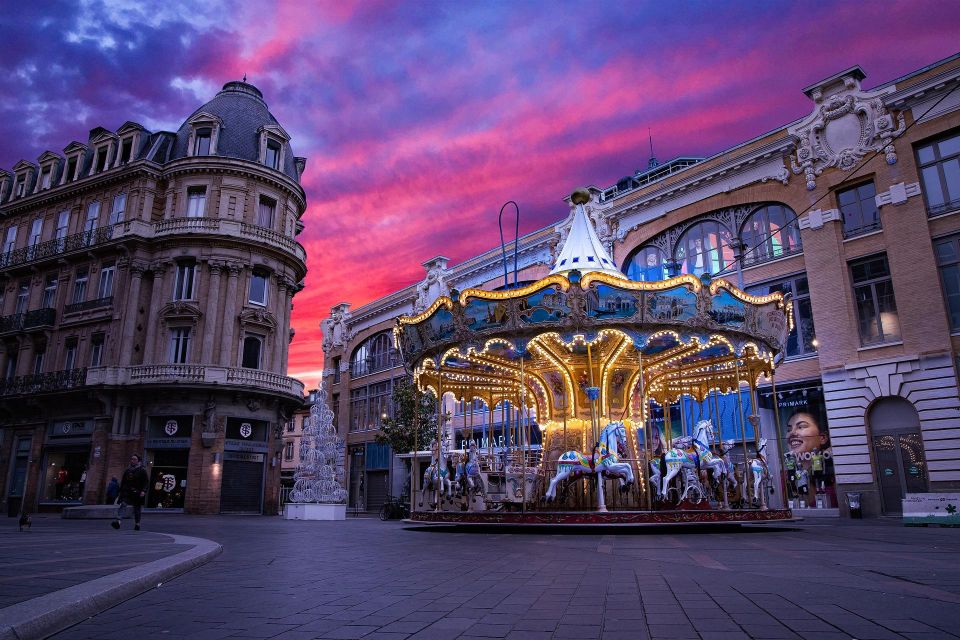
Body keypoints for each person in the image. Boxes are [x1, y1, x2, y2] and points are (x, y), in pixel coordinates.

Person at [112, 454, 148, 531]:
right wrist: (120, 492)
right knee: (123, 504)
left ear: (138, 461)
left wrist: (143, 491)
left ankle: (137, 524)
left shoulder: (142, 470)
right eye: (131, 459)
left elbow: (146, 482)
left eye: (134, 459)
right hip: (127, 492)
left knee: (137, 509)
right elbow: (123, 482)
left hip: (137, 492)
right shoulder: (127, 470)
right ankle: (118, 521)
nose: (132, 460)